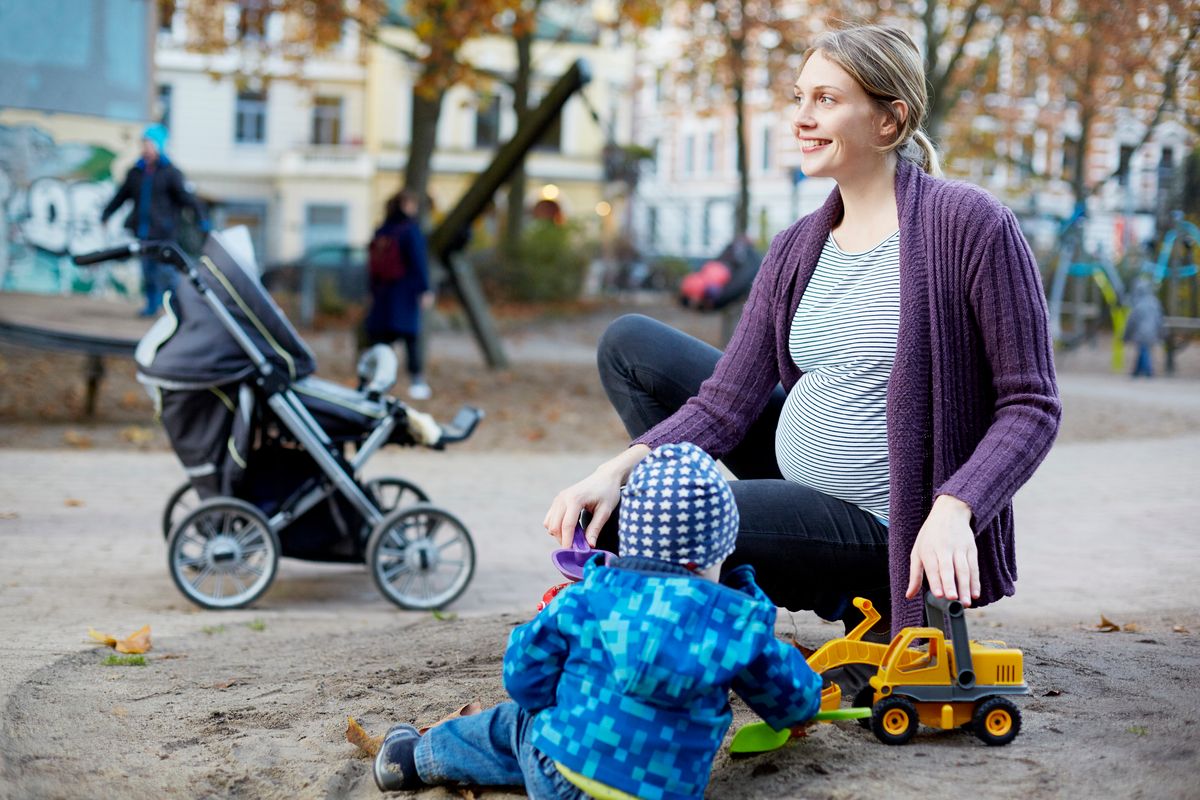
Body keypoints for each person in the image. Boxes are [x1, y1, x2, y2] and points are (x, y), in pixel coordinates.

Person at [544, 25, 1061, 653]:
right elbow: (723, 404)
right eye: (799, 98)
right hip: (795, 480)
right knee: (629, 347)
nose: (802, 119)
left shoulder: (971, 226)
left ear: (888, 121)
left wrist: (957, 507)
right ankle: (715, 571)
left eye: (826, 100)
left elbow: (1031, 407)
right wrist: (613, 471)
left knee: (640, 524)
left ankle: (824, 591)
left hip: (889, 525)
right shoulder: (797, 245)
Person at [375, 442, 823, 799]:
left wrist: (545, 703)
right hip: (663, 790)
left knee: (511, 728)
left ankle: (412, 759)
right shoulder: (736, 625)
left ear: (631, 539)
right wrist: (798, 712)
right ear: (722, 550)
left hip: (559, 777)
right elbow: (793, 697)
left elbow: (522, 674)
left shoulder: (589, 594)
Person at [101, 124, 208, 316]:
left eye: (149, 143)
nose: (145, 147)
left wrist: (201, 219)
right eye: (143, 143)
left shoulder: (170, 172)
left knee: (168, 274)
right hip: (143, 232)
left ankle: (178, 309)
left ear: (158, 145)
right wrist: (107, 214)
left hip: (165, 233)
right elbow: (121, 196)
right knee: (148, 272)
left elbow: (187, 198)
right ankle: (151, 306)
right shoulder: (136, 172)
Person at [363, 189, 434, 400]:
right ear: (405, 205)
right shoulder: (410, 230)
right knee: (411, 337)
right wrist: (424, 288)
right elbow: (418, 261)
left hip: (383, 293)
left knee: (382, 341)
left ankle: (376, 381)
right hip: (405, 291)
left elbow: (372, 265)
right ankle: (417, 381)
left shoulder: (382, 230)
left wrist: (371, 291)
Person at [1125, 275, 1165, 378]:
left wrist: (1126, 336)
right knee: (1143, 350)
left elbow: (1131, 322)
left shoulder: (1137, 304)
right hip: (1152, 332)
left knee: (1143, 350)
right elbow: (1160, 320)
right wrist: (1162, 333)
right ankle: (1136, 371)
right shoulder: (1154, 302)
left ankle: (1148, 371)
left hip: (1141, 333)